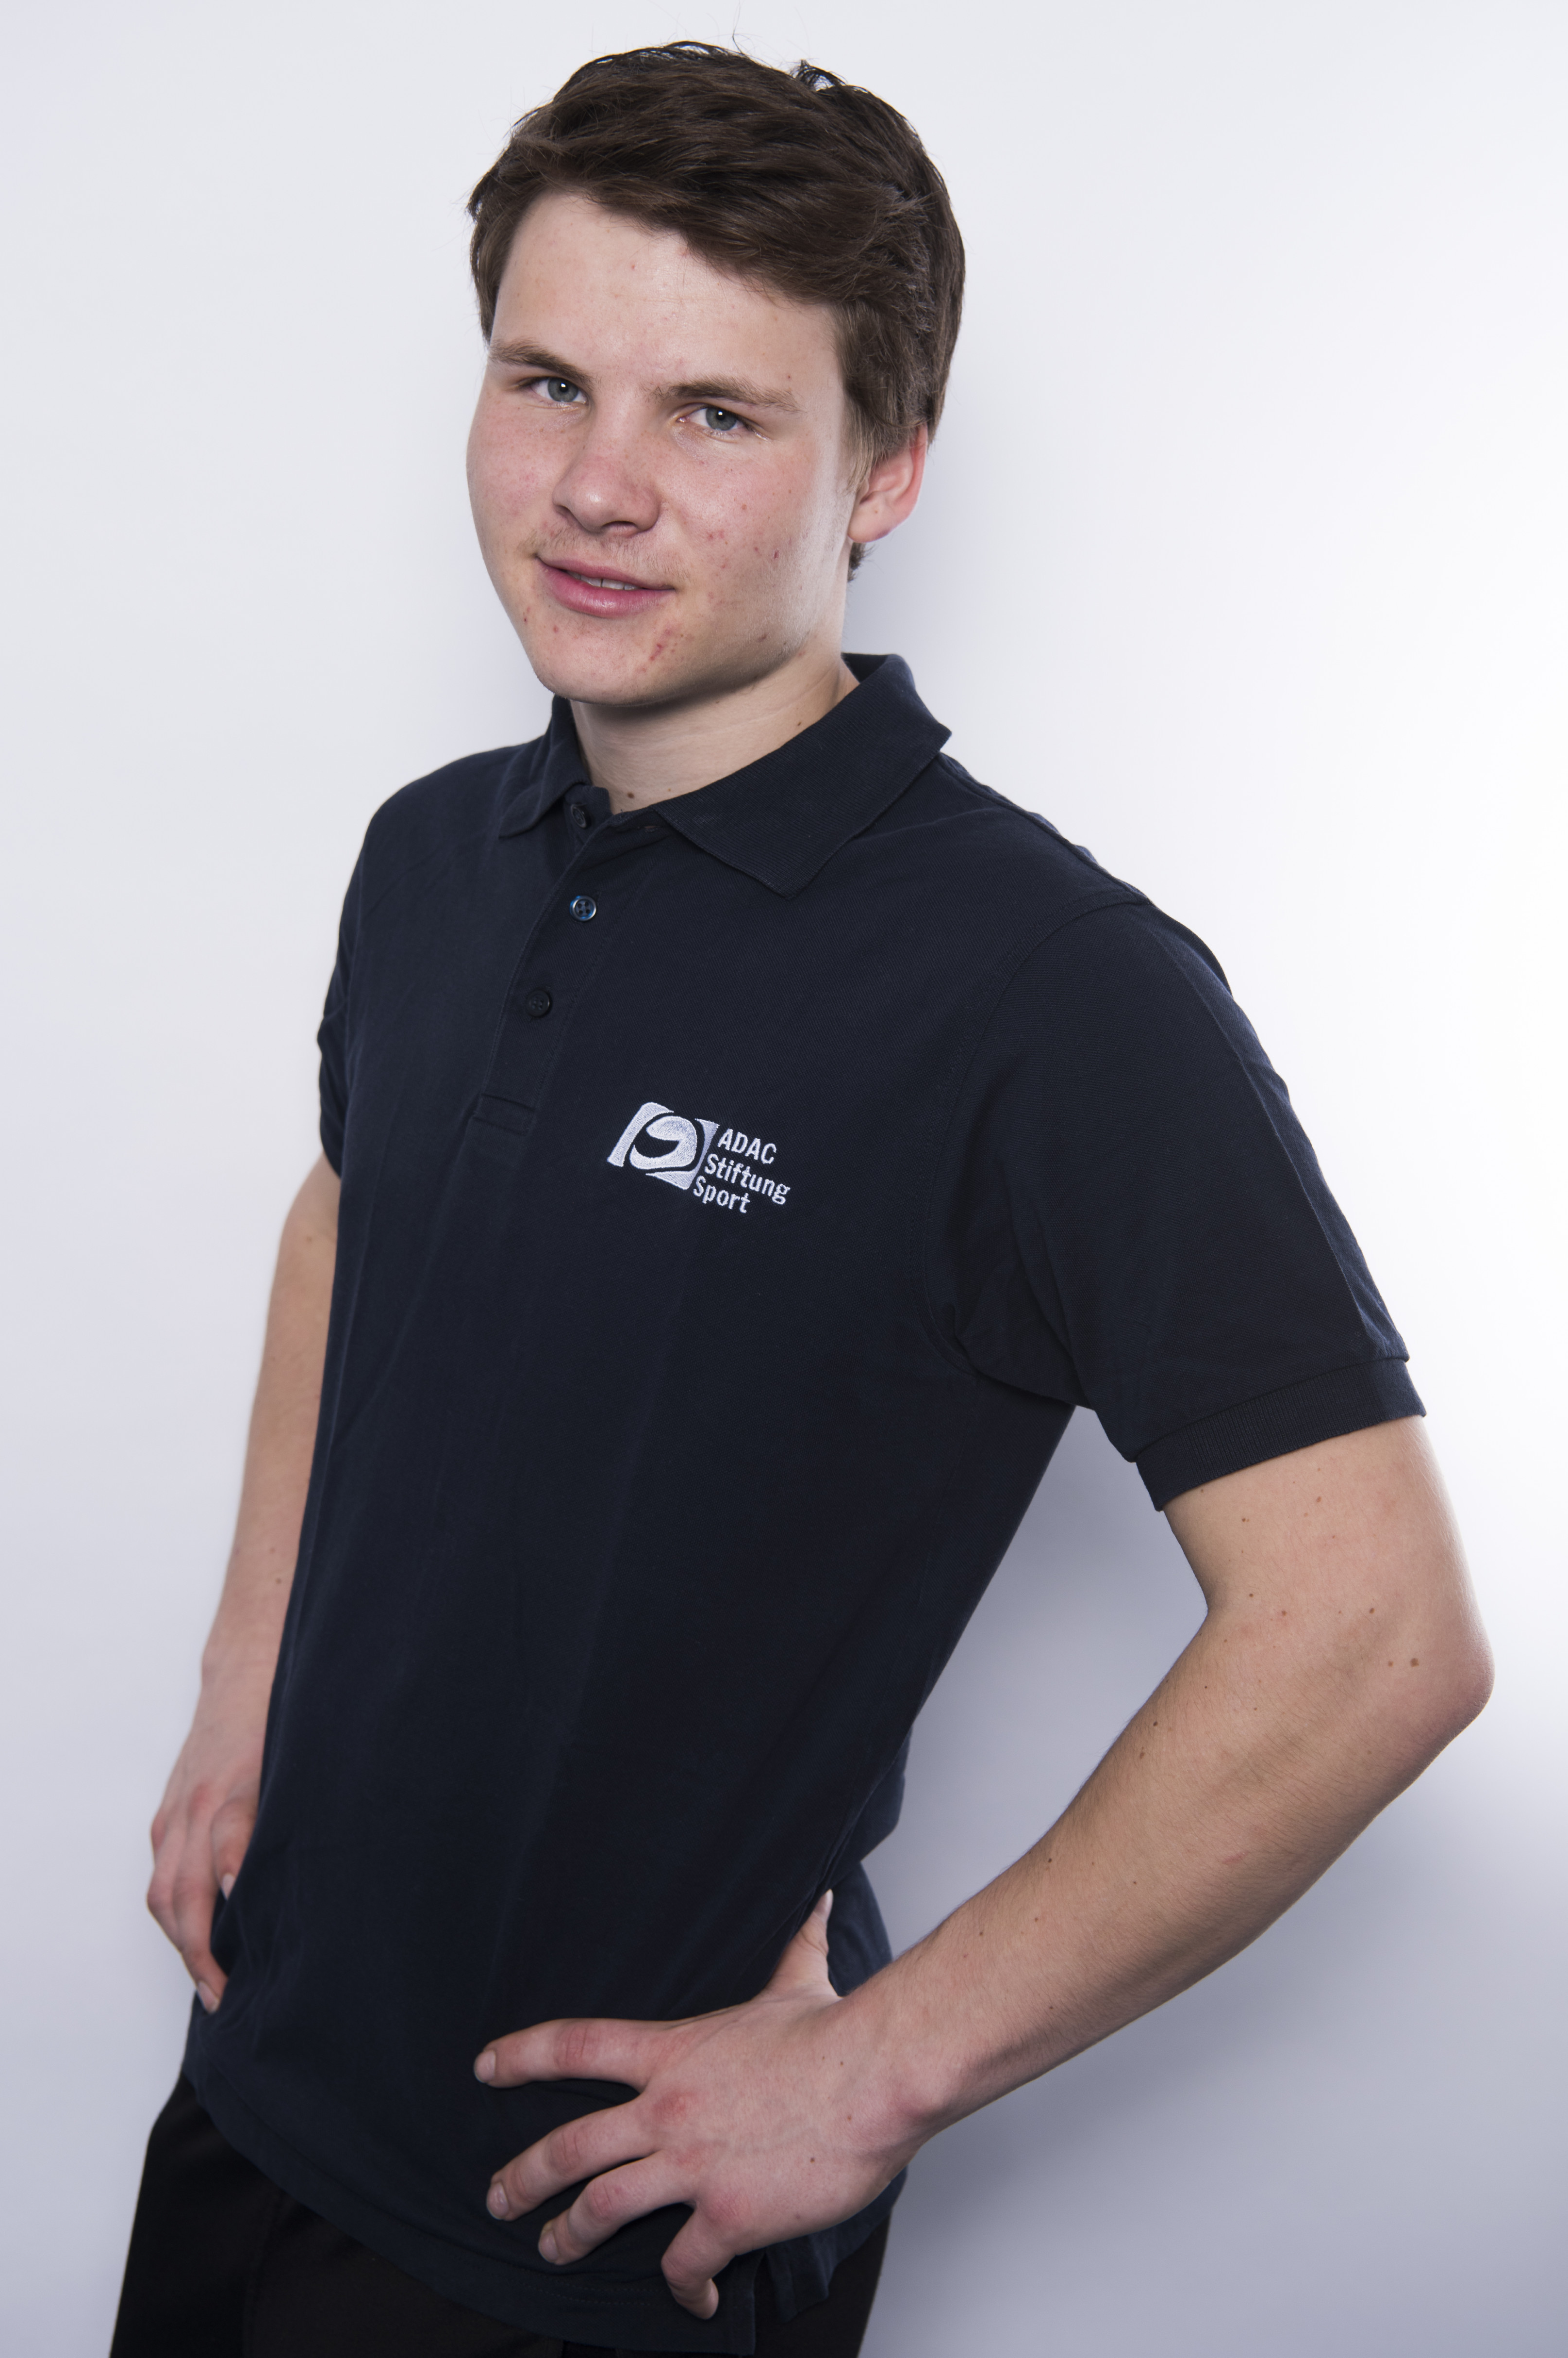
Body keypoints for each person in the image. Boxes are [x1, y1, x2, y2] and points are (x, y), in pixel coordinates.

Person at [112, 41, 1491, 2358]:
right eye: (548, 382)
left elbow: (1377, 1634)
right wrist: (248, 1675)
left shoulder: (1053, 997)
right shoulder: (433, 855)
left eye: (717, 414)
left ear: (891, 470)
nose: (597, 486)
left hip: (601, 2232)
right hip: (254, 2086)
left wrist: (876, 2072)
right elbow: (353, 1212)